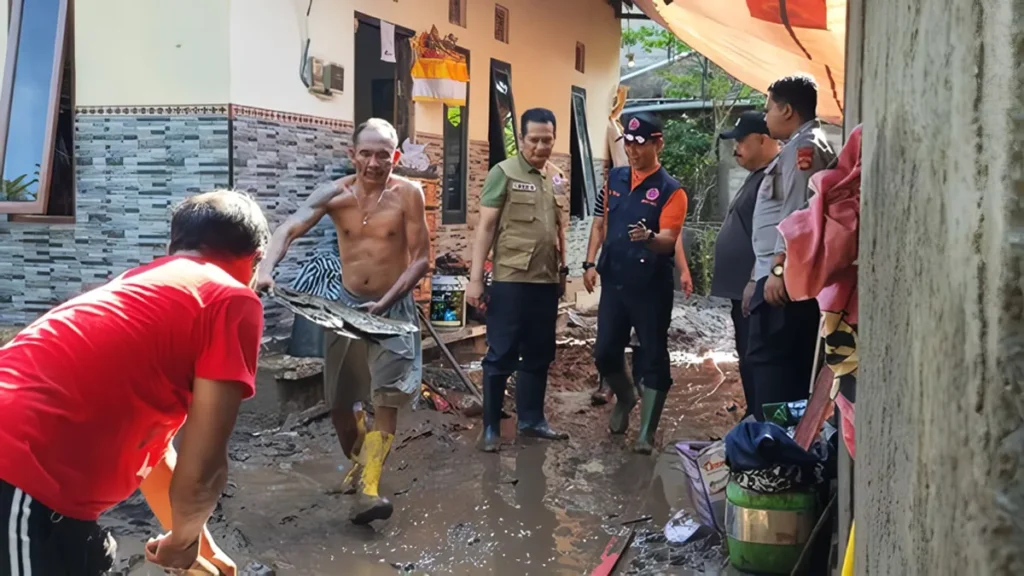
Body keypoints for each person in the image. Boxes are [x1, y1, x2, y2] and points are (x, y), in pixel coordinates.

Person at [0, 190, 268, 575]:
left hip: (32, 481)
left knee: (90, 558)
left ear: (173, 247)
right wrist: (181, 545)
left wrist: (198, 547)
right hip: (18, 468)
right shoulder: (231, 299)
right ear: (254, 259)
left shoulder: (143, 285)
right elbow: (205, 468)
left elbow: (154, 457)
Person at [255, 118, 430, 524]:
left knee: (385, 400)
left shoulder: (409, 194)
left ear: (396, 158)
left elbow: (421, 258)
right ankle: (360, 462)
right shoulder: (334, 194)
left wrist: (387, 301)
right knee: (339, 406)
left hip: (393, 313)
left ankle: (369, 489)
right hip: (346, 310)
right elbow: (289, 228)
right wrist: (266, 268)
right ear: (352, 154)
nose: (373, 162)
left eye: (383, 155)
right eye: (365, 153)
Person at [467, 108, 571, 453]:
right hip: (511, 277)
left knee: (540, 352)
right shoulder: (504, 172)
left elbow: (559, 229)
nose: (541, 146)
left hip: (545, 279)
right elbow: (485, 227)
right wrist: (475, 279)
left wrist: (564, 270)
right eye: (534, 140)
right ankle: (491, 428)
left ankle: (532, 420)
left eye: (547, 139)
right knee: (502, 353)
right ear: (522, 139)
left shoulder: (556, 177)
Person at [588, 112, 689, 454]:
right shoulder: (614, 178)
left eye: (640, 143)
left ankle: (646, 432)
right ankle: (626, 396)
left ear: (658, 143)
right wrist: (589, 262)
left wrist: (649, 239)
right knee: (604, 352)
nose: (632, 150)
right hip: (615, 280)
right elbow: (600, 222)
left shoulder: (671, 191)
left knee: (653, 356)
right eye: (628, 143)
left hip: (650, 287)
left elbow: (668, 240)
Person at [743, 74, 836, 420]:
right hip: (777, 277)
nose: (765, 117)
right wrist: (759, 274)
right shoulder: (799, 144)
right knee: (768, 367)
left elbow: (797, 215)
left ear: (786, 109)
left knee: (774, 371)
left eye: (768, 109)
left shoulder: (805, 148)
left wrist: (779, 271)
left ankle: (772, 456)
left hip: (788, 285)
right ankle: (770, 448)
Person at [711, 111, 780, 418]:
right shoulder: (756, 176)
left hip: (757, 291)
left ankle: (761, 424)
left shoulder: (772, 178)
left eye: (741, 140)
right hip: (744, 292)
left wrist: (755, 278)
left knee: (757, 359)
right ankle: (754, 418)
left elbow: (772, 237)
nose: (736, 147)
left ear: (763, 140)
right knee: (747, 356)